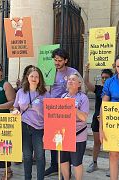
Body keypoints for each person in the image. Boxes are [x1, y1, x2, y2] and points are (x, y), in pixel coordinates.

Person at [45, 48, 81, 176]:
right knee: (54, 139)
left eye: (60, 60)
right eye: (55, 60)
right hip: (53, 110)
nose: (57, 63)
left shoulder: (73, 72)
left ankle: (67, 168)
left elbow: (81, 87)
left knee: (67, 140)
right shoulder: (50, 71)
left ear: (65, 60)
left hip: (68, 111)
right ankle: (54, 165)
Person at [12, 66, 50, 180]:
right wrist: (15, 111)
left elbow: (49, 113)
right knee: (27, 156)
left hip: (39, 129)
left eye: (37, 76)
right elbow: (15, 107)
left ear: (40, 79)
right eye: (32, 76)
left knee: (40, 156)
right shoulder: (20, 92)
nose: (34, 78)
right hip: (24, 127)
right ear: (27, 77)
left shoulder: (45, 94)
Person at [84, 63, 113, 174]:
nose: (104, 79)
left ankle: (112, 166)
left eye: (107, 77)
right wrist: (87, 71)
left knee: (111, 144)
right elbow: (86, 83)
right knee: (97, 142)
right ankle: (94, 163)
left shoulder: (115, 90)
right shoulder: (99, 89)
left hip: (110, 120)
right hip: (97, 120)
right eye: (103, 78)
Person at [60, 73, 89, 180]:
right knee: (63, 160)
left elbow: (84, 118)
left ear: (79, 84)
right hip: (64, 134)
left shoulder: (83, 98)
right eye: (69, 79)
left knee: (76, 162)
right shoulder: (63, 97)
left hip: (78, 135)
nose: (70, 81)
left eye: (73, 80)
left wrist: (72, 107)